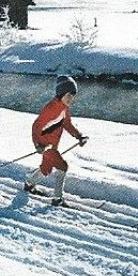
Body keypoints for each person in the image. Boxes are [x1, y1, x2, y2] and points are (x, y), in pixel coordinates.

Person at [23, 75, 88, 205]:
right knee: (62, 167)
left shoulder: (64, 108)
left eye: (73, 96)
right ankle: (57, 199)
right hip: (45, 144)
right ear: (61, 93)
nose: (71, 99)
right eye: (68, 95)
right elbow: (36, 126)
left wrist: (79, 136)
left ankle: (29, 184)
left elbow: (67, 124)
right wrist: (38, 144)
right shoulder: (51, 108)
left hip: (52, 144)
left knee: (46, 168)